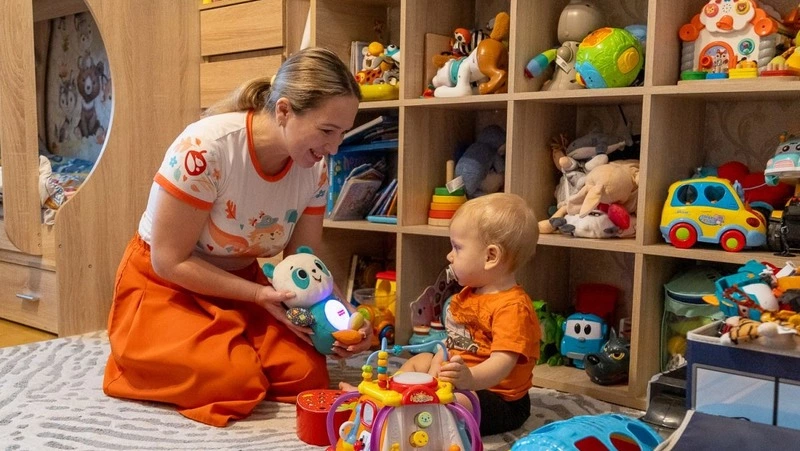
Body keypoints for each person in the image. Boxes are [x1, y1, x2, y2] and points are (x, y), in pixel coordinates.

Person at [103, 47, 372, 427]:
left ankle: (227, 342)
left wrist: (345, 317)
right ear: (284, 111)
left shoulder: (315, 168)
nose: (334, 147)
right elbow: (169, 261)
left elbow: (305, 264)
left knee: (306, 376)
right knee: (235, 382)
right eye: (327, 131)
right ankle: (134, 361)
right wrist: (259, 296)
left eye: (342, 133)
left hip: (243, 282)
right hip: (167, 283)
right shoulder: (205, 150)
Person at [342, 192, 541, 436]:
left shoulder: (513, 307)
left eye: (457, 247)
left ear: (490, 256)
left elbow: (502, 364)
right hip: (456, 379)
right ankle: (385, 397)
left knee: (453, 405)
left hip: (498, 399)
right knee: (419, 361)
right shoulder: (468, 294)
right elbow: (453, 341)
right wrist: (436, 366)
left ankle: (406, 413)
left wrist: (469, 379)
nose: (449, 255)